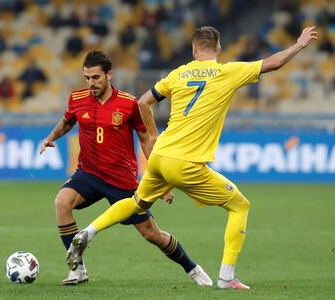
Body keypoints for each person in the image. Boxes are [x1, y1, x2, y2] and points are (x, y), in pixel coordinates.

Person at [66, 26, 318, 289]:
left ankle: (89, 231)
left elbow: (143, 103)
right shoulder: (228, 72)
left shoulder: (179, 73)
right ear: (218, 49)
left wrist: (153, 137)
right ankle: (226, 277)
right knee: (240, 206)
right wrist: (299, 45)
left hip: (161, 154)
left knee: (137, 202)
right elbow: (274, 63)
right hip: (185, 162)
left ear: (194, 49)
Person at [39, 50, 212, 286]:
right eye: (87, 78)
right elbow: (68, 121)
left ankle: (192, 268)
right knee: (62, 202)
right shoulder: (77, 98)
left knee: (152, 234)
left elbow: (146, 140)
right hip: (88, 173)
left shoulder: (129, 103)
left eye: (96, 78)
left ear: (109, 75)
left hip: (122, 181)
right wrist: (51, 137)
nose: (91, 83)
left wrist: (160, 182)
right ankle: (77, 270)